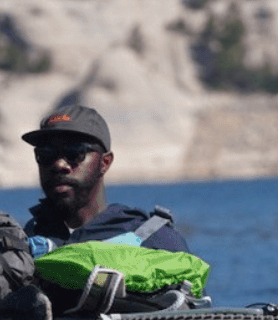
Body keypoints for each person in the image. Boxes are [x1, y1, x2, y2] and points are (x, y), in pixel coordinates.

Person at [21, 105, 189, 253]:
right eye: (45, 154)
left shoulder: (154, 240)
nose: (59, 164)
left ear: (105, 162)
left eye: (74, 153)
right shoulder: (23, 241)